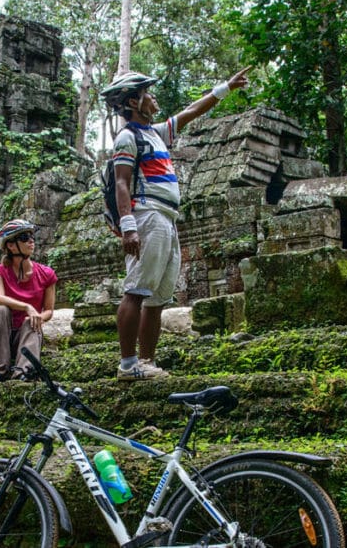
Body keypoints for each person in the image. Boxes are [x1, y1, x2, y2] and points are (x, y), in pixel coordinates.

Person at [100, 67, 251, 381]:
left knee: (158, 296)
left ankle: (147, 362)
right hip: (147, 215)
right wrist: (128, 226)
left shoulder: (155, 133)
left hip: (167, 216)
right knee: (137, 289)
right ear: (133, 102)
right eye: (147, 94)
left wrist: (225, 87)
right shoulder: (128, 137)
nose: (153, 98)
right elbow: (122, 184)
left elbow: (191, 112)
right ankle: (127, 365)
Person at [0, 219, 57, 382]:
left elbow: (49, 310)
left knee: (31, 321)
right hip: (0, 333)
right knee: (2, 309)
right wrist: (27, 306)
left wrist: (36, 317)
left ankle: (24, 372)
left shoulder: (47, 273)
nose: (31, 241)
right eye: (24, 237)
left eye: (32, 237)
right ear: (10, 245)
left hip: (27, 335)